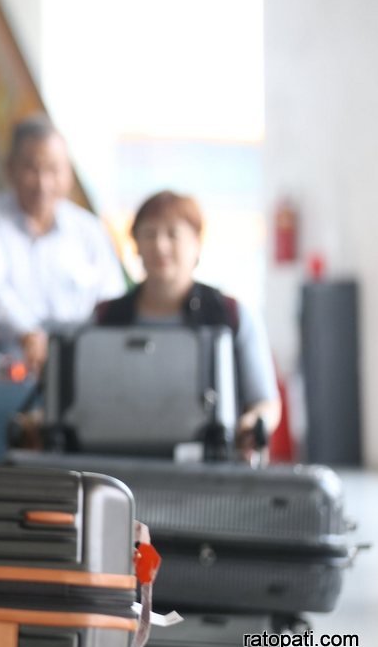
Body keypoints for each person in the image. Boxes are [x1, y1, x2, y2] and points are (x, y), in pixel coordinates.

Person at [93, 190, 281, 456]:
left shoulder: (231, 314)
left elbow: (264, 401)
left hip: (213, 470)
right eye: (149, 234)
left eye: (173, 234)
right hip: (120, 462)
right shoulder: (106, 316)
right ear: (134, 243)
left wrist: (251, 426)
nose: (160, 245)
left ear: (196, 243)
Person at [0, 115, 123, 375]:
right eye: (32, 168)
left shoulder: (89, 229)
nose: (43, 183)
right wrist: (29, 334)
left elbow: (111, 297)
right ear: (10, 169)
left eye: (54, 170)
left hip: (78, 364)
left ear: (69, 174)